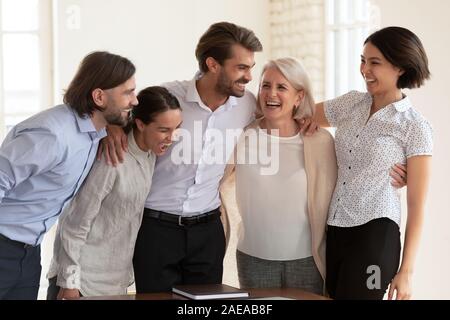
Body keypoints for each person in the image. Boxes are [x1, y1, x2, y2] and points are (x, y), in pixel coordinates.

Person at [102, 22, 263, 293]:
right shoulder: (168, 97)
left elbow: (281, 116)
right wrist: (113, 126)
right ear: (212, 64)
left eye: (250, 68)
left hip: (208, 231)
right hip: (155, 229)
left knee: (204, 307)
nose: (248, 76)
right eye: (241, 67)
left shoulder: (247, 104)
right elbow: (120, 114)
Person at [0, 51, 138, 300]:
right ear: (98, 96)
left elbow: (149, 116)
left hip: (29, 254)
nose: (134, 100)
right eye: (127, 92)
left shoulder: (94, 133)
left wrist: (115, 126)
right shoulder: (52, 134)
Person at [312, 27, 433, 300]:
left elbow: (417, 206)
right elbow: (299, 114)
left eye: (374, 62)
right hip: (336, 227)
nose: (364, 69)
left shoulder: (415, 126)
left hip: (376, 234)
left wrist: (407, 272)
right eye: (363, 60)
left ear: (400, 67)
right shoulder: (351, 104)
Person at [46, 86, 182, 300]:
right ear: (140, 124)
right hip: (81, 281)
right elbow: (74, 224)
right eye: (164, 130)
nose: (172, 138)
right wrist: (70, 284)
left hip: (114, 282)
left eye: (177, 128)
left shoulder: (149, 155)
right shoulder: (112, 158)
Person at [220, 57, 337, 295]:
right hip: (253, 259)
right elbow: (211, 178)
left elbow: (346, 185)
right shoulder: (242, 137)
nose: (271, 94)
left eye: (282, 87)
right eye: (265, 85)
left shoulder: (321, 141)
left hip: (307, 261)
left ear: (299, 97)